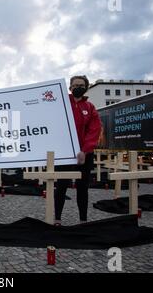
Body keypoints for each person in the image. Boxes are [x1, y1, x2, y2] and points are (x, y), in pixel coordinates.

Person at [54, 75, 102, 225]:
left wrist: (85, 150)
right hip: (64, 154)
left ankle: (83, 220)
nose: (77, 88)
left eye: (81, 85)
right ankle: (57, 218)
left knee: (82, 188)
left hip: (84, 154)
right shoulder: (61, 103)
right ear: (70, 87)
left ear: (86, 87)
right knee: (61, 186)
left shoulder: (90, 107)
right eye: (74, 85)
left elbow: (94, 130)